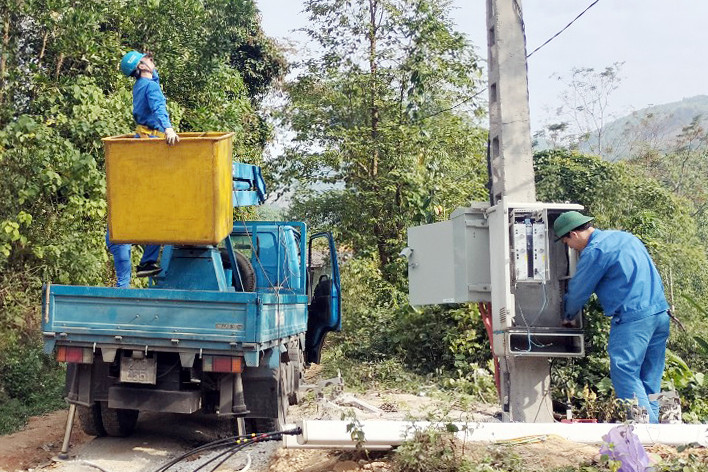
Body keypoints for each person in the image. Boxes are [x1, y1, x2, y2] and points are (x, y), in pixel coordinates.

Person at [554, 211, 670, 423]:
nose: (569, 247)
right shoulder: (626, 237)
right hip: (660, 314)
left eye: (566, 242)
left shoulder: (595, 250)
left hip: (633, 318)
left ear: (574, 234)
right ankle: (665, 428)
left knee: (624, 371)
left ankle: (645, 431)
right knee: (651, 375)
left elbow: (580, 288)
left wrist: (568, 314)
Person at [106, 50, 180, 287]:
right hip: (150, 144)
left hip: (142, 141)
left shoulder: (140, 86)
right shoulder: (149, 87)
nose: (152, 61)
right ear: (141, 67)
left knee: (150, 206)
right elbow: (158, 107)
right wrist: (168, 128)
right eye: (148, 60)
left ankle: (142, 265)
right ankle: (147, 261)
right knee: (164, 209)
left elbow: (152, 89)